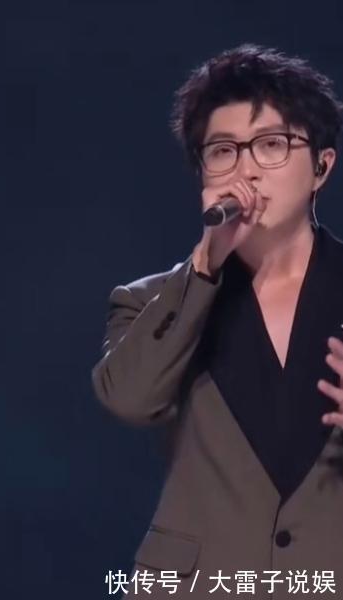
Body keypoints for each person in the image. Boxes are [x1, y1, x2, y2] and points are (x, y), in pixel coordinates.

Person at [92, 45, 343, 599]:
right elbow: (129, 399)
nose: (246, 169)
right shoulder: (152, 302)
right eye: (223, 151)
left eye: (272, 145)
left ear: (322, 166)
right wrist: (205, 266)